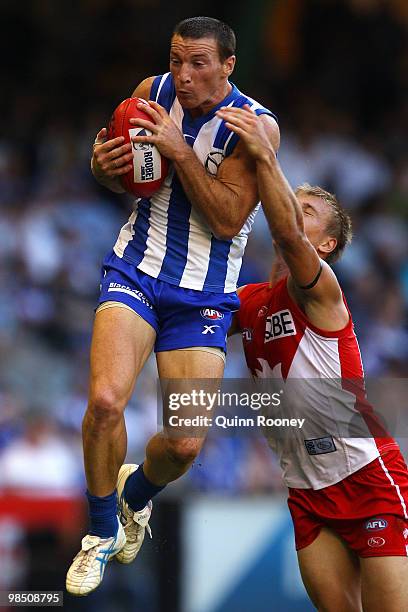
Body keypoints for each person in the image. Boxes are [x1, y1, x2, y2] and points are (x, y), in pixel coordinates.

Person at [65, 17, 280, 596]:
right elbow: (121, 175)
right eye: (176, 60)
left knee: (184, 445)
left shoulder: (254, 127)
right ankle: (99, 533)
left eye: (198, 64)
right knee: (106, 401)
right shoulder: (149, 95)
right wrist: (101, 169)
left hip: (204, 293)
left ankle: (136, 495)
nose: (181, 76)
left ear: (228, 65)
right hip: (135, 268)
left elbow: (230, 219)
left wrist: (181, 152)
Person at [217, 104, 408, 611]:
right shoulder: (250, 299)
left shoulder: (321, 288)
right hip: (304, 486)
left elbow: (286, 235)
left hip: (365, 475)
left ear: (325, 243)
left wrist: (265, 158)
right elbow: (194, 320)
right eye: (288, 203)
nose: (289, 211)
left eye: (307, 211)